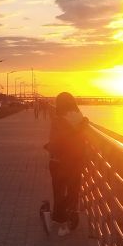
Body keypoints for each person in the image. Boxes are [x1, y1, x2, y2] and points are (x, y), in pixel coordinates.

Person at [43, 92, 89, 236]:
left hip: (59, 161)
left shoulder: (58, 120)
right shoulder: (81, 118)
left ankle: (59, 218)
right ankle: (67, 215)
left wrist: (49, 146)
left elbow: (57, 139)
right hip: (76, 160)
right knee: (73, 190)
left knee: (59, 190)